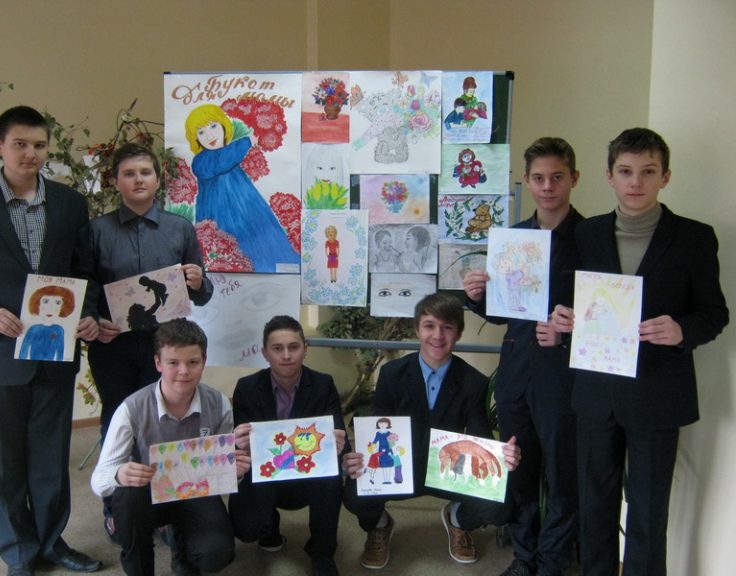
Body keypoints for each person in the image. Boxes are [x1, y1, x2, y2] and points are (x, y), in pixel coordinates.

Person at [549, 128, 729, 576]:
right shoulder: (586, 234)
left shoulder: (694, 237)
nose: (636, 182)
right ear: (609, 176)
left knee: (648, 513)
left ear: (665, 176)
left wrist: (681, 329)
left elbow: (714, 313)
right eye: (626, 171)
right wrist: (563, 319)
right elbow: (569, 301)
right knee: (594, 507)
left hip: (657, 393)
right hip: (596, 392)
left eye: (648, 172)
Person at [0, 105, 102, 576]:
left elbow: (85, 270)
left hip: (54, 350)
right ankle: (18, 552)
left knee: (50, 456)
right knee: (4, 462)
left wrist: (88, 313)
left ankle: (51, 542)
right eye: (20, 144)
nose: (31, 154)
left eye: (39, 145)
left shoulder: (69, 203)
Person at [463, 137, 583, 576]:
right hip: (516, 373)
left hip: (564, 376)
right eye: (539, 178)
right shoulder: (512, 239)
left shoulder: (592, 239)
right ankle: (524, 557)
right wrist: (477, 296)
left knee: (563, 473)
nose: (547, 187)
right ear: (527, 182)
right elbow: (503, 313)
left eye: (557, 177)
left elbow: (606, 314)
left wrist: (571, 329)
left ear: (574, 178)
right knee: (520, 468)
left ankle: (551, 562)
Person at [83, 142, 213, 539]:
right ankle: (116, 507)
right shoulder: (96, 230)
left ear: (158, 179)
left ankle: (166, 509)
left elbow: (201, 293)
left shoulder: (179, 228)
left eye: (145, 172)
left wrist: (198, 281)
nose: (138, 179)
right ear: (116, 181)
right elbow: (86, 286)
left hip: (167, 347)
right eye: (129, 173)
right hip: (114, 347)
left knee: (166, 423)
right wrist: (93, 318)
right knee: (117, 422)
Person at [342, 292, 521, 570]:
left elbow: (479, 437)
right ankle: (379, 525)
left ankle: (458, 519)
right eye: (429, 326)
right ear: (417, 329)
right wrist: (359, 456)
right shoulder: (392, 374)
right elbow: (378, 424)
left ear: (458, 333)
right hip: (402, 468)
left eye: (447, 327)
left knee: (502, 505)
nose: (438, 335)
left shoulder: (474, 382)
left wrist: (501, 457)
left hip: (449, 470)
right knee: (354, 492)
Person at [90, 318, 251, 576]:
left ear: (204, 362)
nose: (183, 371)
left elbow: (222, 472)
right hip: (147, 495)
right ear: (158, 363)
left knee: (217, 552)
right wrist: (118, 474)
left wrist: (235, 471)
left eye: (193, 362)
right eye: (173, 363)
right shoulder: (131, 408)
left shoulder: (219, 403)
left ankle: (182, 553)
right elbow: (99, 480)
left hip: (196, 492)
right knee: (127, 498)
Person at [228, 315, 348, 576]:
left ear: (305, 349)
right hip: (265, 476)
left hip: (309, 475)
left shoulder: (323, 384)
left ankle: (322, 552)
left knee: (332, 476)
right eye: (277, 348)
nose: (286, 355)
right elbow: (238, 449)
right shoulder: (246, 388)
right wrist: (237, 441)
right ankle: (269, 528)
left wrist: (339, 443)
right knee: (246, 529)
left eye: (293, 347)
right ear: (265, 353)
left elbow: (339, 436)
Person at [184, 103, 300, 272]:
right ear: (195, 139)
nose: (209, 135)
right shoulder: (201, 161)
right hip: (220, 216)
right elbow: (222, 161)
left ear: (224, 125)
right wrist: (247, 141)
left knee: (266, 244)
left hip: (247, 208)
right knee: (231, 251)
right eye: (201, 132)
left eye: (214, 126)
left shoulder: (229, 152)